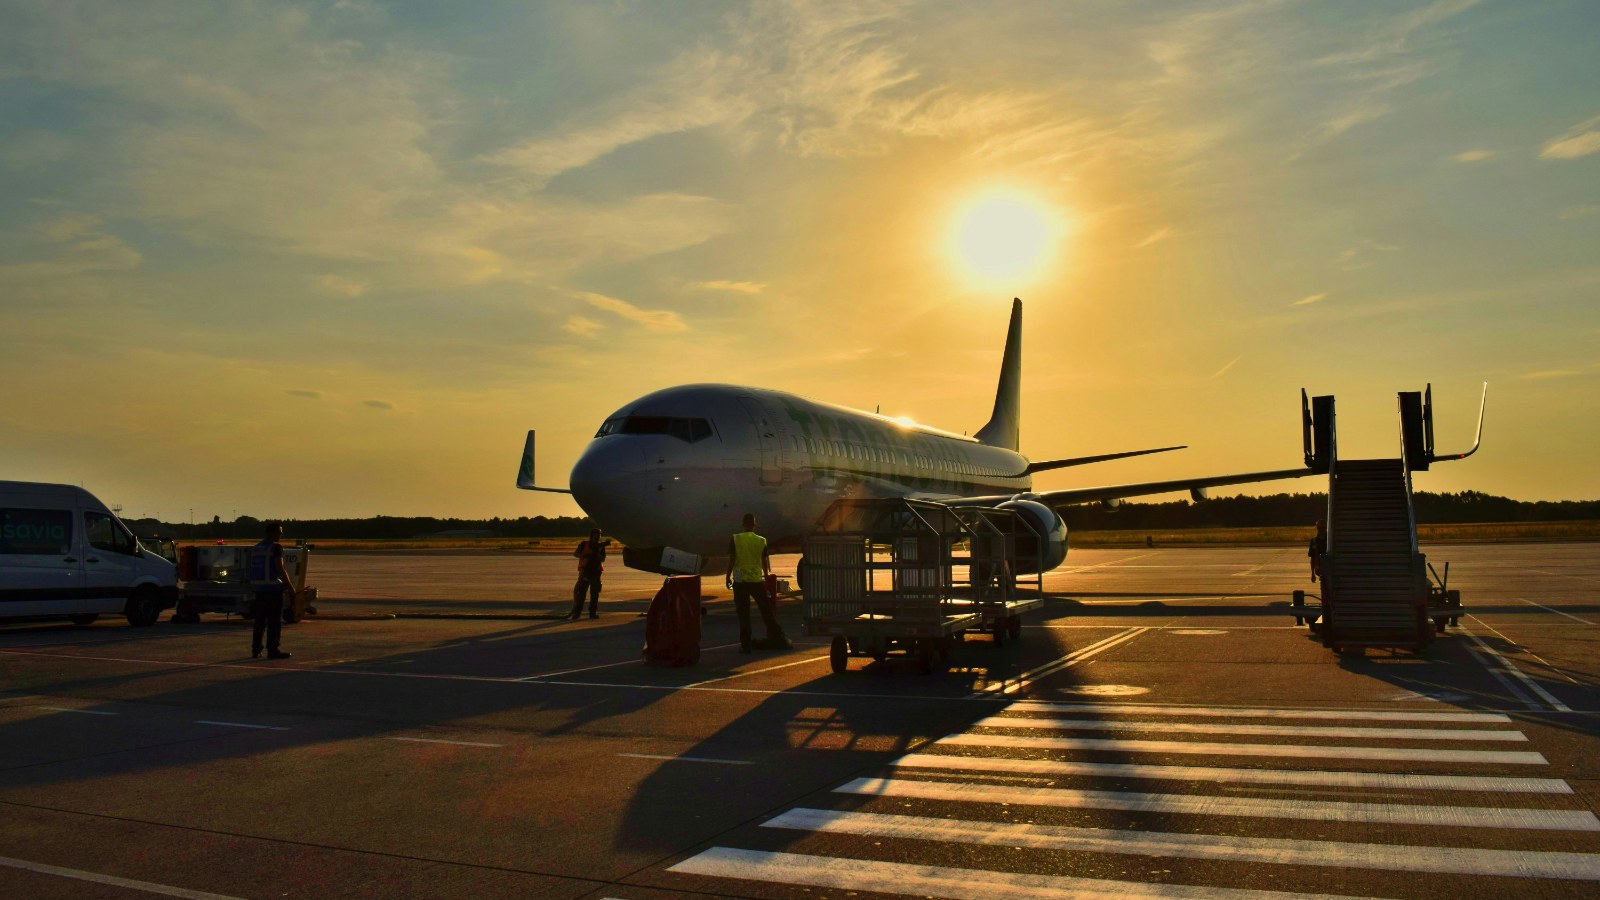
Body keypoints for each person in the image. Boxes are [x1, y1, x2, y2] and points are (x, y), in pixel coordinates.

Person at [726, 513, 789, 653]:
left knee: (743, 615)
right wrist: (765, 576)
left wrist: (727, 577)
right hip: (756, 581)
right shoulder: (761, 540)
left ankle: (746, 645)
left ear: (743, 524)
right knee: (766, 611)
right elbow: (764, 561)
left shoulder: (736, 539)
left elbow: (732, 560)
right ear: (754, 525)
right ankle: (777, 636)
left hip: (740, 582)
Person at [246, 522, 294, 659]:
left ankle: (256, 650)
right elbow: (280, 569)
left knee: (259, 622)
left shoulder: (256, 548)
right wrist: (290, 588)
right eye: (279, 532)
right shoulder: (276, 547)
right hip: (273, 590)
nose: (281, 535)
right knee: (274, 622)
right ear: (272, 533)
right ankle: (273, 650)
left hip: (259, 590)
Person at [570, 529, 607, 619]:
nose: (597, 536)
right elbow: (576, 553)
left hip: (596, 572)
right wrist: (586, 554)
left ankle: (592, 613)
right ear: (591, 535)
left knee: (594, 593)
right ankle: (577, 613)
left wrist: (597, 553)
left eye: (598, 535)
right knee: (581, 593)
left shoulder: (601, 546)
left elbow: (603, 559)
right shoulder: (584, 544)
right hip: (585, 571)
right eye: (595, 534)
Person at [1309, 519, 1326, 583]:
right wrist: (1312, 573)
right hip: (1319, 569)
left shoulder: (1330, 541)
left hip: (1328, 568)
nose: (1321, 530)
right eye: (1319, 528)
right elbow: (1312, 557)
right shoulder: (1314, 541)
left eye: (1323, 528)